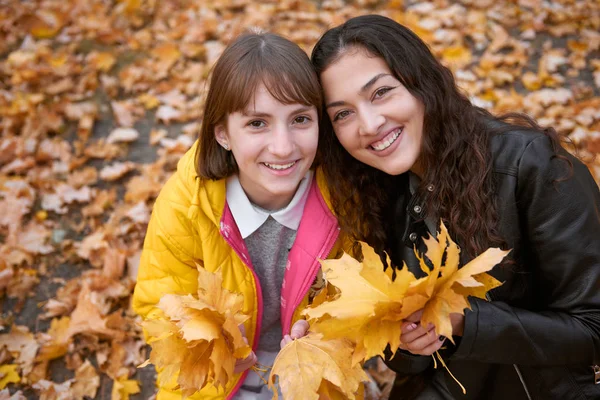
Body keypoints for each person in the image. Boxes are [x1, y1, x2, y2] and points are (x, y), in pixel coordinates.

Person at [311, 14, 600, 400]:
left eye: (381, 92)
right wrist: (408, 342)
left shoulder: (530, 167)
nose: (369, 123)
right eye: (343, 113)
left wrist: (465, 323)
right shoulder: (374, 191)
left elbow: (593, 329)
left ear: (421, 82)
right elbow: (403, 359)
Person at [132, 31, 344, 400]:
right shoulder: (188, 203)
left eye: (300, 119)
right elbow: (158, 305)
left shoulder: (343, 199)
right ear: (223, 134)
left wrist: (328, 331)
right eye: (257, 123)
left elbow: (359, 301)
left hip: (311, 376)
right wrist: (209, 344)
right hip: (217, 382)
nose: (282, 147)